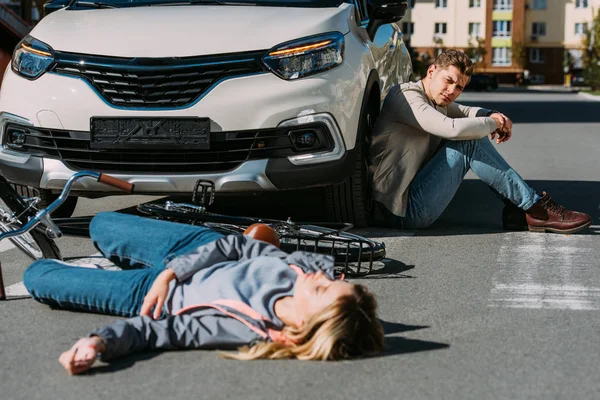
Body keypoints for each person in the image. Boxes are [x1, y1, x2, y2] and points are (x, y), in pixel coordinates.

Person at [23, 212, 384, 375]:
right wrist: (171, 272)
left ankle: (132, 271)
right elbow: (234, 249)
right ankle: (254, 235)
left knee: (36, 276)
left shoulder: (244, 328)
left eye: (320, 286)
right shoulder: (298, 270)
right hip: (200, 251)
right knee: (101, 223)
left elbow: (158, 332)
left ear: (304, 322)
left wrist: (99, 343)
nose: (315, 276)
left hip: (151, 297)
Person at [369, 49, 591, 234]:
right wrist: (492, 123)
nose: (452, 91)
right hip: (399, 211)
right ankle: (535, 209)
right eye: (449, 81)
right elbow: (451, 128)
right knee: (468, 142)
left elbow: (463, 111)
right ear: (432, 71)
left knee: (472, 135)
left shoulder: (436, 99)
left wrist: (494, 114)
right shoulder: (406, 97)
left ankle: (519, 211)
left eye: (459, 88)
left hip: (408, 201)